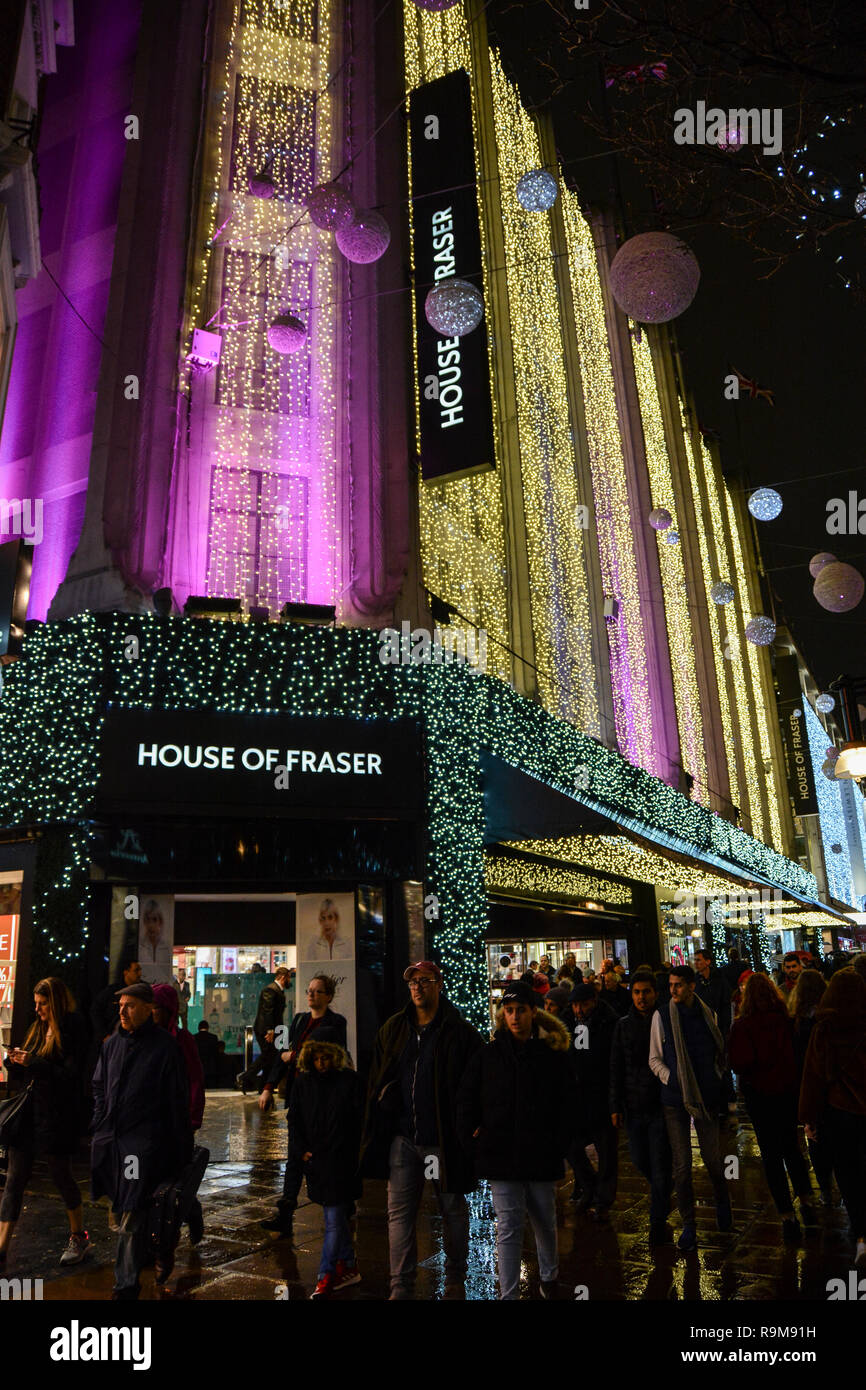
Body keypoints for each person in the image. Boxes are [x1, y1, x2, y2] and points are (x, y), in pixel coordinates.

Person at [360, 961, 484, 1300]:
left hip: (442, 1140)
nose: (417, 987)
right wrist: (382, 1102)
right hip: (403, 1139)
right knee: (399, 1214)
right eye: (413, 982)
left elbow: (476, 1080)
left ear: (438, 985)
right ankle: (400, 1286)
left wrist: (471, 1123)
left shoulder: (458, 1031)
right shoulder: (395, 1028)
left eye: (425, 981)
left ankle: (455, 1277)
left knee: (452, 1208)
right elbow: (379, 1075)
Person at [457, 982, 577, 1300]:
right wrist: (473, 1136)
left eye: (520, 1010)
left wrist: (560, 1143)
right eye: (508, 1011)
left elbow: (567, 1102)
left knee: (543, 1218)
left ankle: (549, 1278)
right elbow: (468, 1097)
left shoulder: (551, 1055)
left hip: (540, 1152)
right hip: (501, 1154)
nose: (514, 1017)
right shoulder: (489, 1055)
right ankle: (508, 1293)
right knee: (508, 1225)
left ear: (532, 1012)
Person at [90, 981, 192, 1299]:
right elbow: (99, 1086)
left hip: (138, 1147)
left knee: (131, 1211)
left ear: (148, 1009)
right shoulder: (112, 1046)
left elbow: (176, 1100)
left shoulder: (164, 1048)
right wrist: (100, 1122)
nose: (122, 1011)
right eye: (120, 1006)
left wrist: (179, 1149)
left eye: (130, 1005)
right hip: (111, 1143)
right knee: (120, 1212)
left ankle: (126, 1285)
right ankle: (152, 1251)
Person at [0, 978, 91, 1269]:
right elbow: (30, 1071)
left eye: (43, 1004)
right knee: (14, 1179)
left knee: (61, 1175)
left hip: (57, 1115)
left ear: (57, 1002)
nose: (38, 1009)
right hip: (29, 1114)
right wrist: (13, 1062)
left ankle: (79, 1236)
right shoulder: (38, 1028)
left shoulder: (73, 1027)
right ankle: (1, 1247)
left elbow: (72, 1077)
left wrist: (33, 1063)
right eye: (36, 1004)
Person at [649, 964, 732, 1251]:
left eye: (679, 985)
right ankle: (689, 1225)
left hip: (706, 1096)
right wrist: (673, 1079)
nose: (673, 990)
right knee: (682, 1167)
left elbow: (719, 1052)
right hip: (675, 1100)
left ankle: (723, 1201)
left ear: (691, 986)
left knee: (712, 1159)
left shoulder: (707, 1013)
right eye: (671, 985)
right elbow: (654, 1058)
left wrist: (715, 1077)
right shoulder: (662, 1015)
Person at [259, 975, 348, 1238]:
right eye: (310, 991)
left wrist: (296, 1055)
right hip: (299, 1095)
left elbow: (329, 1051)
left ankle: (341, 1205)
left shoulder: (336, 1022)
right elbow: (281, 1050)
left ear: (328, 996)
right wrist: (268, 1086)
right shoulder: (298, 1020)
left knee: (323, 1152)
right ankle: (285, 1210)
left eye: (318, 992)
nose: (312, 995)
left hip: (322, 1098)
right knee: (294, 1152)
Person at [728, 973, 814, 1241]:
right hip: (786, 1094)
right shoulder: (787, 1022)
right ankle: (807, 1199)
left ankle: (787, 1215)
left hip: (760, 1098)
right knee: (791, 1147)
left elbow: (738, 1064)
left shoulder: (742, 1027)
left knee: (771, 1156)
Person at [799, 968, 866, 1268]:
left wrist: (809, 1119)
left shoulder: (823, 1028)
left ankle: (863, 1237)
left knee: (850, 1176)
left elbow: (813, 1077)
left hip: (841, 1116)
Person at [288, 1035, 364, 1298]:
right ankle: (350, 1266)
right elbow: (294, 1119)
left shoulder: (348, 1082)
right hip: (320, 1162)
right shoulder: (304, 1083)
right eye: (317, 1058)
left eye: (326, 1057)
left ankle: (326, 1275)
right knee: (336, 1216)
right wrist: (302, 1152)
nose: (321, 1063)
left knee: (333, 1219)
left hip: (341, 1161)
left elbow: (358, 1120)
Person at [609, 972, 673, 1247]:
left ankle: (657, 1220)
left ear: (655, 993)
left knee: (659, 1164)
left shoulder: (665, 1022)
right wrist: (615, 1104)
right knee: (638, 1159)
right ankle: (664, 1192)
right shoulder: (623, 1026)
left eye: (645, 992)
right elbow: (615, 1066)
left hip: (659, 1103)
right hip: (634, 1105)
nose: (641, 997)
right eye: (636, 992)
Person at [152, 983, 206, 1252]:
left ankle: (188, 1214)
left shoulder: (182, 1038)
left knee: (173, 1178)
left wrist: (193, 1117)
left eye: (156, 1008)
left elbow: (195, 1078)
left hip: (176, 1121)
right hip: (151, 1121)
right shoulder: (145, 1036)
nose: (152, 1013)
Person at [567, 982, 619, 1220]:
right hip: (579, 1097)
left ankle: (603, 1199)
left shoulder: (608, 1022)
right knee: (572, 1145)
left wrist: (614, 1102)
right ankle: (589, 1187)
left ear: (593, 1001)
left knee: (606, 1150)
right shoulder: (572, 1023)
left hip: (600, 1096)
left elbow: (612, 1062)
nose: (578, 1010)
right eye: (575, 1005)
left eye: (583, 1004)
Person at [788, 969, 832, 1203]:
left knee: (813, 1134)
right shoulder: (828, 1017)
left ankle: (824, 1187)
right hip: (830, 1083)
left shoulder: (796, 1021)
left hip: (806, 1083)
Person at [236, 965, 291, 1094]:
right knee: (268, 1056)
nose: (290, 981)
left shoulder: (277, 990)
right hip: (266, 1030)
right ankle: (245, 1077)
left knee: (270, 1058)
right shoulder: (271, 990)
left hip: (271, 1030)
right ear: (283, 977)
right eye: (288, 978)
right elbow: (268, 1010)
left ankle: (263, 1087)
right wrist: (270, 1030)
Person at [90, 960, 142, 1043]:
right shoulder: (112, 992)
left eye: (140, 970)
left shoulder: (143, 991)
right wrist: (104, 1035)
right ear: (126, 972)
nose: (139, 974)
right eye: (136, 970)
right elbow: (96, 1011)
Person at [307, 897, 353, 962]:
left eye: (330, 917)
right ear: (320, 921)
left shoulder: (347, 943)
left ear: (336, 919)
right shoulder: (313, 944)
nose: (326, 923)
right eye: (323, 918)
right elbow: (309, 969)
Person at [193, 1020, 221, 1088]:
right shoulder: (213, 1037)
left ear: (198, 1028)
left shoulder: (194, 1037)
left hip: (198, 1066)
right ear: (208, 1027)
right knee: (211, 1087)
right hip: (211, 1066)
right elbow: (216, 1053)